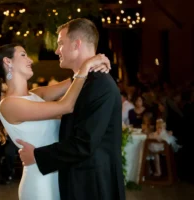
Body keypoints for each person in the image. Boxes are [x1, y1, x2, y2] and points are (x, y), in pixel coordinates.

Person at [16, 18, 125, 200]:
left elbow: (85, 143)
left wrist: (38, 156)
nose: (57, 50)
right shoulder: (86, 81)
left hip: (93, 185)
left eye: (60, 44)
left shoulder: (99, 85)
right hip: (82, 179)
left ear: (76, 44)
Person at [0, 42, 110, 199]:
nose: (30, 60)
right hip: (40, 182)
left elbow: (74, 82)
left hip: (59, 175)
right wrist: (87, 66)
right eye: (23, 55)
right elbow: (66, 106)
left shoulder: (36, 95)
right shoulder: (9, 104)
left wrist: (96, 64)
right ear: (8, 62)